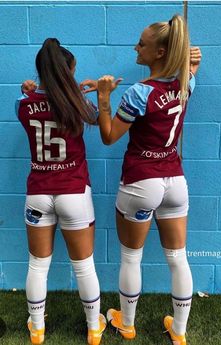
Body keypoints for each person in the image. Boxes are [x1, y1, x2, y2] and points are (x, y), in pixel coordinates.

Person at [81, 14, 201, 345]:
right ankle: (179, 332)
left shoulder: (139, 93)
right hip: (175, 182)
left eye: (143, 44)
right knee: (178, 258)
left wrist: (103, 98)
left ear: (160, 52)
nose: (137, 47)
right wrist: (193, 58)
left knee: (131, 257)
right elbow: (192, 68)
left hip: (140, 183)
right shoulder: (184, 84)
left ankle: (127, 324)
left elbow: (107, 136)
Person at [16, 38, 106, 345]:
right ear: (67, 71)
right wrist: (82, 93)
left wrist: (29, 92)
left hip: (38, 193)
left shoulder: (23, 104)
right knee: (84, 267)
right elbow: (95, 117)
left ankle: (37, 329)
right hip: (74, 193)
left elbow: (30, 103)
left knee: (37, 266)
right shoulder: (78, 104)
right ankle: (94, 328)